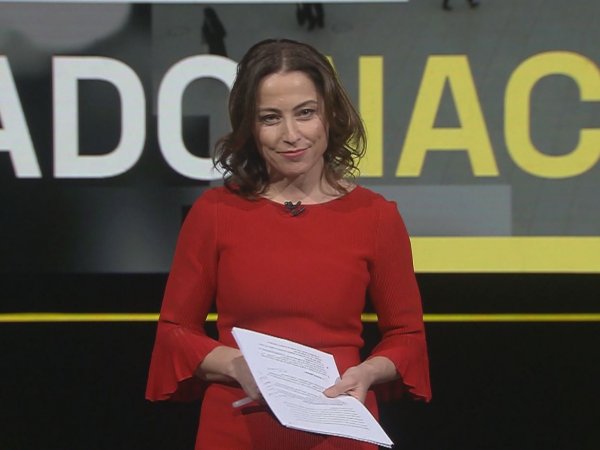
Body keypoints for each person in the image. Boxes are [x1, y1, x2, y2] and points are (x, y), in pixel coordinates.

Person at [146, 38, 431, 449]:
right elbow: (176, 331)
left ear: (331, 114)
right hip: (237, 430)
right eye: (270, 118)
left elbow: (406, 336)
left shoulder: (376, 217)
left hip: (340, 428)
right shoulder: (215, 213)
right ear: (250, 126)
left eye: (305, 113)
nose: (291, 134)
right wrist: (237, 365)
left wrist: (367, 373)